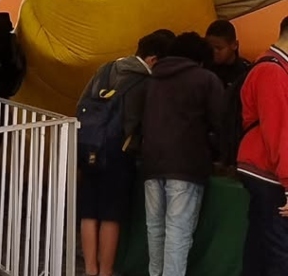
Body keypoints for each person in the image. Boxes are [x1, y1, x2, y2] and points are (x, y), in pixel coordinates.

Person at [77, 30, 174, 276]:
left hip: (90, 147)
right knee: (111, 216)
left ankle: (90, 269)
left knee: (89, 211)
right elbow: (144, 121)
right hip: (119, 153)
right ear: (153, 59)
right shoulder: (145, 81)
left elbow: (81, 105)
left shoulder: (106, 68)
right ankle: (106, 271)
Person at [140, 32, 224, 276]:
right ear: (201, 59)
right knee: (178, 232)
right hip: (186, 165)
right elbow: (222, 123)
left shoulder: (152, 78)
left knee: (155, 229)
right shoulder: (205, 79)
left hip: (151, 163)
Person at [237, 16, 288, 275]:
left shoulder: (272, 66)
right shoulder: (272, 70)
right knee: (280, 251)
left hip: (264, 168)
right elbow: (278, 131)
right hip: (267, 171)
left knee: (260, 245)